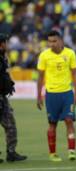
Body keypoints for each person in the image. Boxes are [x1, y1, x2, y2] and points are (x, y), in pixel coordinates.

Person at [37, 30, 76, 162]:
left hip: (67, 93)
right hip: (51, 94)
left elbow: (75, 74)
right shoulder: (44, 56)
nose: (51, 44)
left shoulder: (70, 53)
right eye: (49, 41)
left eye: (54, 41)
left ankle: (71, 151)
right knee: (52, 124)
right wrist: (38, 96)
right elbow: (40, 77)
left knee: (69, 121)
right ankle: (52, 153)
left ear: (61, 40)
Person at [0, 33, 27, 163]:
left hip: (2, 97)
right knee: (10, 124)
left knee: (10, 124)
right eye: (6, 42)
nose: (7, 45)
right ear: (2, 44)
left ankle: (11, 153)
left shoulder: (3, 57)